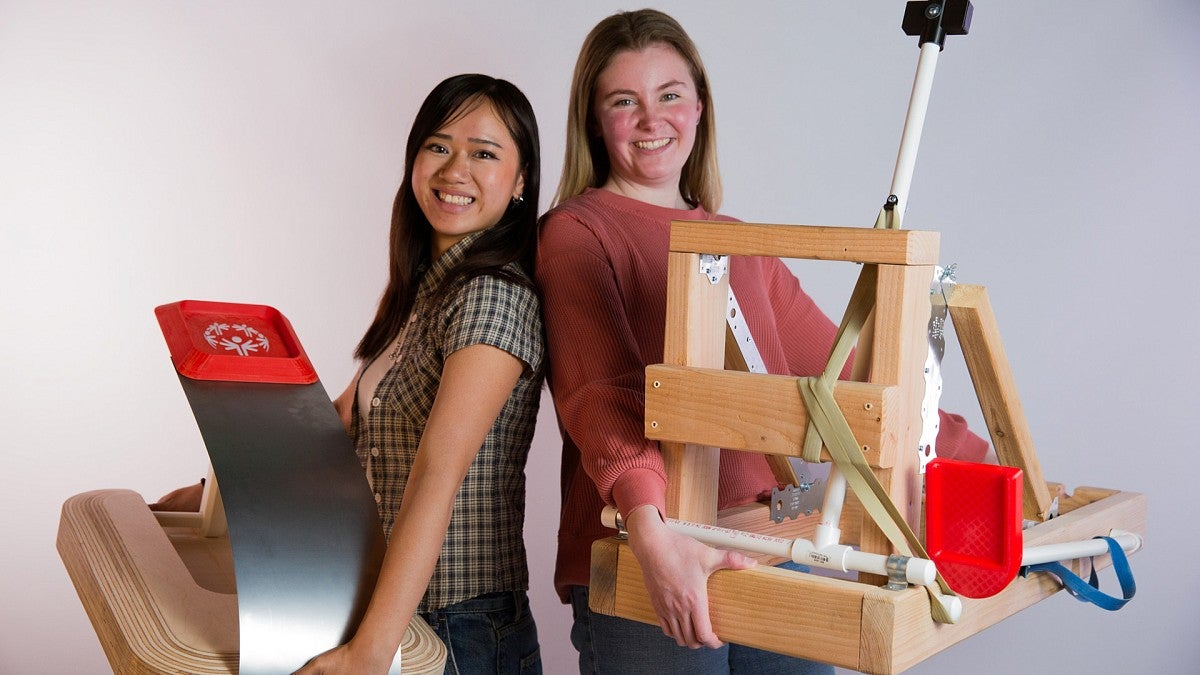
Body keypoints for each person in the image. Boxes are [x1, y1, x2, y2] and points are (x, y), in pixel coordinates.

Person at [535, 9, 989, 674]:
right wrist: (654, 537)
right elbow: (601, 395)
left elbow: (847, 377)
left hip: (770, 540)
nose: (652, 118)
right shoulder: (576, 232)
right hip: (652, 546)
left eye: (669, 94)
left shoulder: (739, 242)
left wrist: (976, 461)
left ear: (699, 107)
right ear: (594, 119)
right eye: (624, 101)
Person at [156, 73, 545, 675]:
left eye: (484, 154)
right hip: (392, 611)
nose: (455, 170)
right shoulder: (427, 290)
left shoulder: (493, 297)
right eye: (438, 146)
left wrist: (370, 653)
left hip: (459, 627)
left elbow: (435, 480)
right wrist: (213, 497)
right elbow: (331, 431)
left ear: (520, 181)